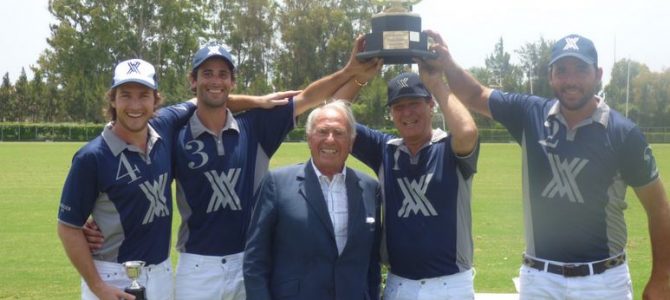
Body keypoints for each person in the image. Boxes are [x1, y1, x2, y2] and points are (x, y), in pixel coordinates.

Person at [439, 31, 670, 299]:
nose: (570, 80)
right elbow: (474, 94)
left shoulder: (623, 133)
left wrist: (662, 278)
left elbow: (659, 208)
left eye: (581, 69)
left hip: (604, 283)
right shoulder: (530, 114)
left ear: (598, 74)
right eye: (562, 70)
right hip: (541, 280)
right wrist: (445, 63)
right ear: (550, 75)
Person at [171, 39, 381, 300]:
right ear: (193, 80)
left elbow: (307, 98)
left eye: (223, 74)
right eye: (207, 74)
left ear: (232, 82)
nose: (216, 80)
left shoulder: (254, 127)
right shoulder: (175, 133)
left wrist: (350, 72)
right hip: (197, 264)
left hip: (244, 259)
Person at [335, 30, 480, 299]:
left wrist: (436, 81)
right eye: (398, 107)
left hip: (450, 283)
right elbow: (334, 115)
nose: (407, 113)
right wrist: (358, 76)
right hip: (399, 283)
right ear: (391, 114)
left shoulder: (449, 147)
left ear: (431, 105)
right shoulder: (385, 150)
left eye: (414, 103)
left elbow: (468, 132)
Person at [57, 58, 197, 300]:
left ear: (155, 100)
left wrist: (261, 101)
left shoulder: (164, 127)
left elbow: (206, 99)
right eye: (125, 95)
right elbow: (68, 228)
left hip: (162, 273)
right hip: (112, 278)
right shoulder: (91, 157)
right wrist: (98, 287)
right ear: (113, 99)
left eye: (143, 95)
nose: (135, 105)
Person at [243, 100, 382, 300]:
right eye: (322, 131)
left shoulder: (369, 188)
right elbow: (255, 260)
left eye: (339, 133)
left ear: (351, 142)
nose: (330, 140)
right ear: (309, 138)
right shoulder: (278, 184)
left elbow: (372, 262)